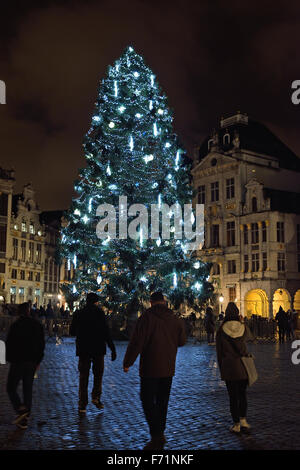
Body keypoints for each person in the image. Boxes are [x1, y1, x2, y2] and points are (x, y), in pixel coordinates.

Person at [123, 291, 186, 450]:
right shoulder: (174, 318)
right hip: (168, 367)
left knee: (147, 399)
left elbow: (137, 342)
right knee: (163, 401)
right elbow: (182, 341)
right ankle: (160, 431)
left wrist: (128, 362)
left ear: (151, 302)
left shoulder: (146, 318)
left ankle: (156, 432)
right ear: (164, 302)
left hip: (150, 367)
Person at [70, 292, 116, 413]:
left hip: (84, 348)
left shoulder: (79, 313)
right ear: (96, 302)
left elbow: (72, 331)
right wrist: (112, 348)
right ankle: (96, 397)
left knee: (83, 376)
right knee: (98, 374)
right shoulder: (100, 313)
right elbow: (106, 332)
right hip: (98, 348)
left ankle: (82, 404)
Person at [216, 302, 255, 434]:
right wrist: (243, 323)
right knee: (242, 394)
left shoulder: (221, 330)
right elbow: (250, 338)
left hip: (229, 366)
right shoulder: (242, 328)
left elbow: (219, 351)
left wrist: (221, 366)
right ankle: (244, 420)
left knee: (232, 396)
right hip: (242, 366)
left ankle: (236, 424)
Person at [5, 302, 45, 429]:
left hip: (18, 361)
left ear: (18, 313)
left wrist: (9, 359)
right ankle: (25, 417)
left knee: (11, 387)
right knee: (27, 388)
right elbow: (41, 344)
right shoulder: (37, 325)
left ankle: (20, 410)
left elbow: (9, 343)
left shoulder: (16, 325)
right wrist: (38, 361)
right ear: (29, 312)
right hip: (32, 362)